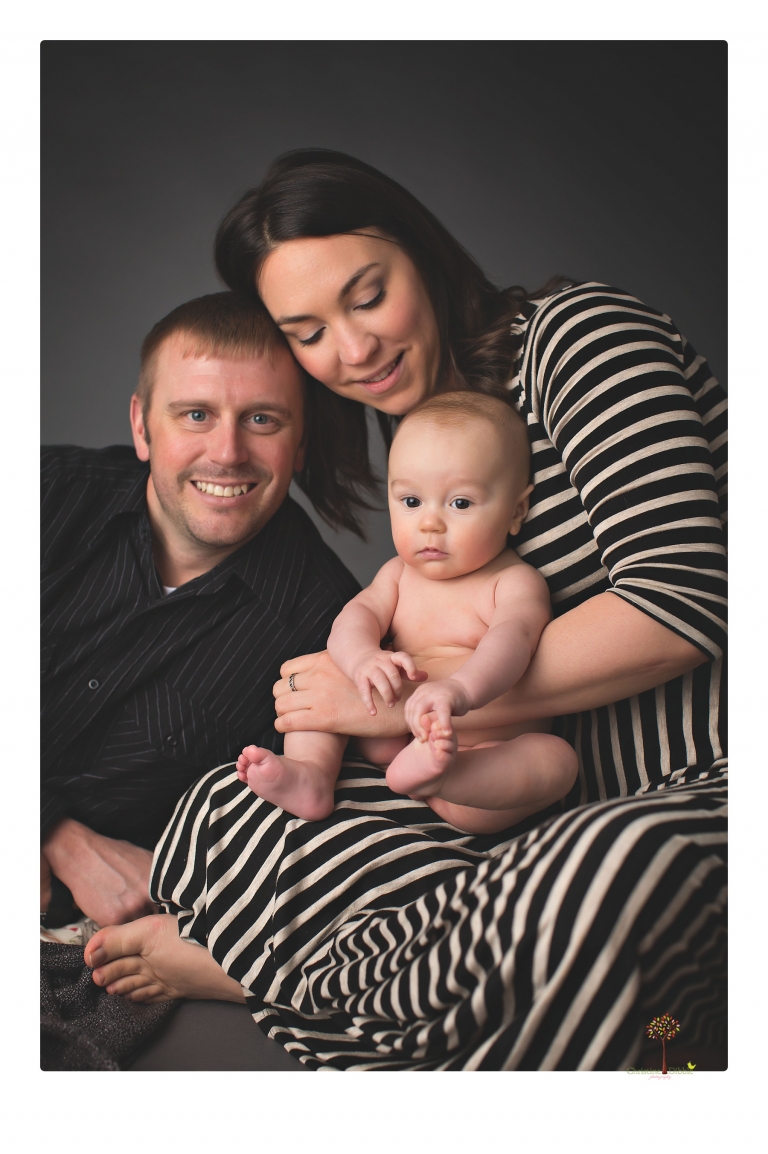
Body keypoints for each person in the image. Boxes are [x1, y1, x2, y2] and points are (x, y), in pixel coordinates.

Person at [85, 151, 726, 1071]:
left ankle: (263, 972)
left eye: (367, 295)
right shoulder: (423, 437)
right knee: (237, 814)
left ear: (417, 249)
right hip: (533, 792)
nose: (351, 352)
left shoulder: (580, 338)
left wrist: (384, 706)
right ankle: (354, 964)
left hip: (701, 767)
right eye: (306, 331)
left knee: (611, 873)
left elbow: (682, 604)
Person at [41, 290, 360, 931]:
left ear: (300, 444)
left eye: (263, 420)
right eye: (195, 414)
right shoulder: (42, 494)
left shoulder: (332, 631)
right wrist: (54, 835)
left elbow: (290, 852)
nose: (227, 452)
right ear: (141, 425)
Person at [236, 392, 578, 832]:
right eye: (412, 502)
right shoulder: (397, 574)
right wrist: (362, 659)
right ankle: (311, 773)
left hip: (483, 747)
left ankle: (445, 772)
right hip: (386, 731)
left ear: (516, 510)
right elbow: (354, 618)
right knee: (323, 680)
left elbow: (512, 643)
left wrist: (458, 691)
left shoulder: (512, 582)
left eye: (460, 503)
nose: (429, 524)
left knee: (557, 762)